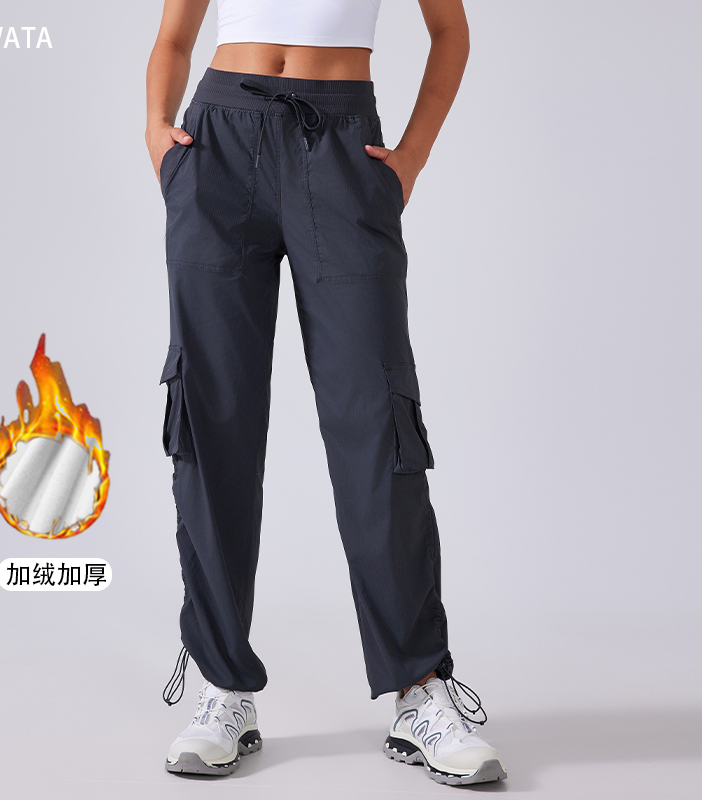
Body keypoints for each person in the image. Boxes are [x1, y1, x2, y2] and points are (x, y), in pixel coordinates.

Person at [145, 0, 507, 786]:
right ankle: (222, 685)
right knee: (212, 416)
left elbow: (450, 30)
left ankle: (419, 689)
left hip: (342, 144)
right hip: (217, 145)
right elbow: (174, 36)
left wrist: (411, 157)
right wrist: (157, 132)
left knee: (376, 418)